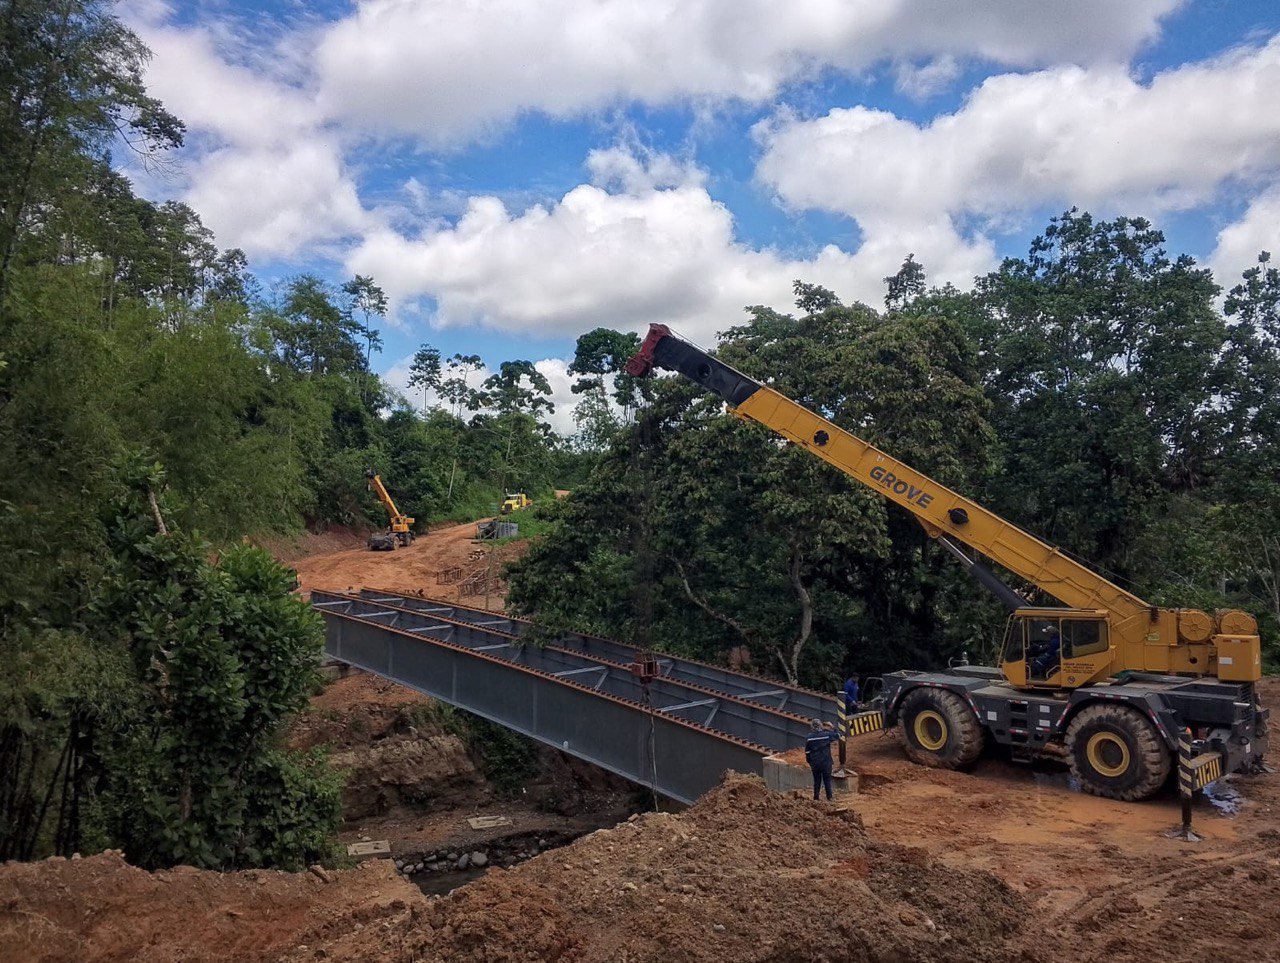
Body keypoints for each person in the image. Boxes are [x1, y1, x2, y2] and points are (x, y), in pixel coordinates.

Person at [805, 718, 839, 801]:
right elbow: (838, 735)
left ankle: (816, 797)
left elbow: (807, 752)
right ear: (820, 726)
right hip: (826, 762)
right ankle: (829, 797)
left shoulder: (809, 738)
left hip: (815, 763)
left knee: (817, 781)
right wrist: (832, 727)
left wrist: (810, 761)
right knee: (827, 780)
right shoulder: (826, 735)